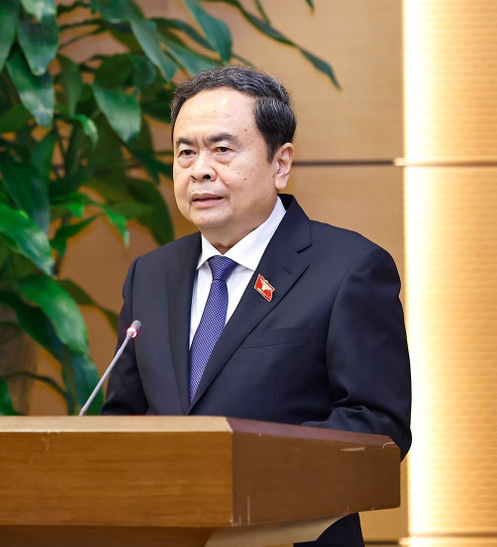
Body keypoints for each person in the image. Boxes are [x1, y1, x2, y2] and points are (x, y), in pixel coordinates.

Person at [101, 65, 411, 546]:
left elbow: (378, 429)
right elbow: (122, 420)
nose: (199, 169)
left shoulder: (349, 268)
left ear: (280, 163)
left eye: (222, 149)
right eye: (185, 152)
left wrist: (246, 477)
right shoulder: (151, 274)